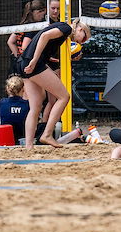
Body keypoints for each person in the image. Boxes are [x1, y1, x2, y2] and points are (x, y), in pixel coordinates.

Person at [18, 19, 90, 147]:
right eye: (83, 38)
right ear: (80, 29)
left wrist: (48, 59)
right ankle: (47, 135)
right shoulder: (66, 28)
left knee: (35, 106)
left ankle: (29, 146)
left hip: (22, 62)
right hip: (33, 63)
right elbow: (44, 36)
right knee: (64, 97)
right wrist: (35, 60)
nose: (80, 42)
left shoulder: (61, 29)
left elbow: (42, 39)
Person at [0, 75, 29, 143]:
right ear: (23, 89)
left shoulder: (1, 103)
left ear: (7, 89)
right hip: (22, 138)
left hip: (4, 137)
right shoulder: (27, 104)